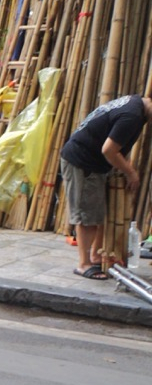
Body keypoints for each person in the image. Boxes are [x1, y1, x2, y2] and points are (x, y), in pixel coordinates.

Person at [59, 94, 152, 280]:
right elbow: (108, 150)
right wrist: (130, 172)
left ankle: (94, 255)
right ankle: (83, 264)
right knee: (87, 216)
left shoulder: (134, 104)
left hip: (91, 160)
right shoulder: (132, 116)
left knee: (98, 213)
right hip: (82, 161)